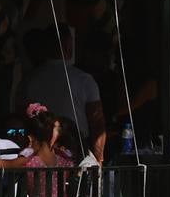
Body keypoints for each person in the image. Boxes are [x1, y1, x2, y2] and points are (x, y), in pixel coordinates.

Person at [23, 24, 107, 163]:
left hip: (41, 151)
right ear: (69, 46)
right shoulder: (84, 79)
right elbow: (97, 123)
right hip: (75, 149)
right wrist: (99, 160)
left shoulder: (29, 79)